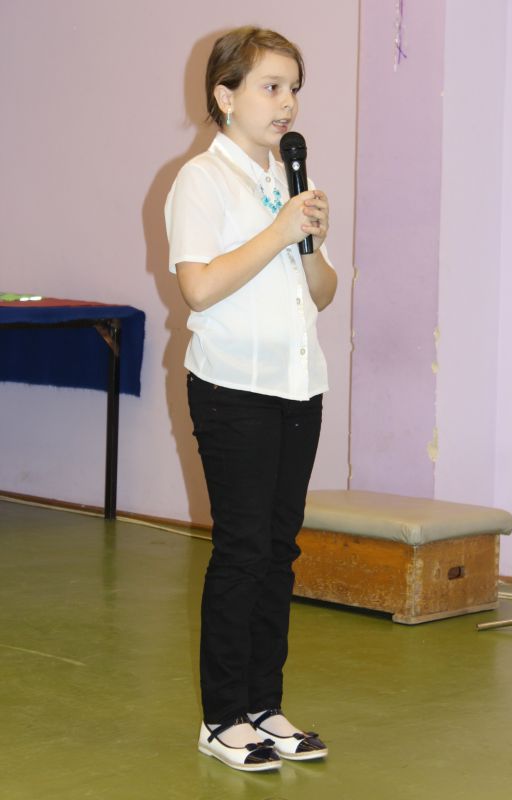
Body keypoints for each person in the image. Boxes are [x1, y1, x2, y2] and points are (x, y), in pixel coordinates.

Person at [165, 26, 337, 772]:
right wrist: (277, 232)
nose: (287, 102)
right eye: (271, 86)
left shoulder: (288, 182)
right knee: (240, 551)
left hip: (299, 386)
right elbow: (199, 286)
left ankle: (264, 705)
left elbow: (321, 293)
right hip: (232, 388)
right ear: (225, 96)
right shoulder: (200, 180)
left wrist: (310, 240)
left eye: (293, 87)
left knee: (279, 550)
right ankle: (221, 717)